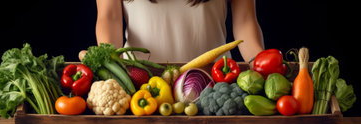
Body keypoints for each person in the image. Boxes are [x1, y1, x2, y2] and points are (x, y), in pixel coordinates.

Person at [82, 0, 263, 64]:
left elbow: (245, 21)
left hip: (215, 84)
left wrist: (261, 63)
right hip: (140, 88)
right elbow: (109, 17)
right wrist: (112, 68)